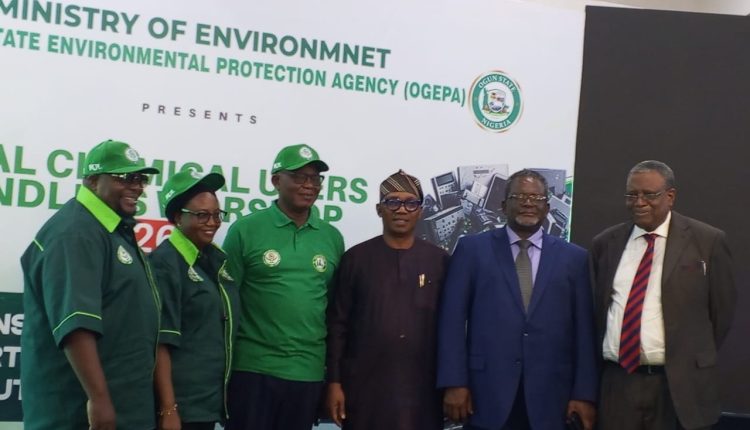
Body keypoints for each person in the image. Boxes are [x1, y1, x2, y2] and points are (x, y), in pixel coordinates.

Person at [437, 169, 597, 430]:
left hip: (552, 396)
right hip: (485, 392)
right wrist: (454, 382)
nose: (527, 203)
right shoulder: (471, 250)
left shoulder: (575, 259)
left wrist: (584, 394)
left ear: (547, 207)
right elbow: (451, 321)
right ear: (503, 205)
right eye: (519, 196)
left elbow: (585, 332)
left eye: (536, 198)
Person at [20, 139, 161, 430]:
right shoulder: (75, 233)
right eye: (126, 178)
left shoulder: (110, 228)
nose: (137, 187)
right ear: (94, 180)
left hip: (123, 410)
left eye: (140, 179)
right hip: (78, 414)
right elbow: (76, 326)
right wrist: (99, 400)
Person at [590, 160, 736, 430]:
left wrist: (686, 356)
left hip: (679, 385)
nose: (639, 202)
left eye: (649, 194)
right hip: (618, 384)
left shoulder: (708, 241)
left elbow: (721, 313)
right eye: (632, 195)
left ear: (670, 196)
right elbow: (597, 311)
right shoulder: (605, 244)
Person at [223, 144, 345, 430]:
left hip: (307, 372)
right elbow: (225, 304)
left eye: (315, 178)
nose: (309, 185)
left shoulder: (331, 237)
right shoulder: (245, 230)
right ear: (276, 181)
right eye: (300, 177)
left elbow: (332, 308)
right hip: (252, 369)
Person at [326, 170, 449, 429]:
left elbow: (452, 327)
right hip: (365, 387)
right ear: (379, 209)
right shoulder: (356, 259)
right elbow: (337, 325)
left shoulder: (439, 261)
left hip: (423, 388)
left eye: (411, 203)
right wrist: (334, 382)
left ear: (420, 211)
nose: (401, 209)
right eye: (392, 202)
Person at [150, 170, 239, 430]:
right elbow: (161, 343)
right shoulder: (165, 264)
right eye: (202, 215)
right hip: (180, 407)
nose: (212, 222)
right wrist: (168, 408)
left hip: (206, 404)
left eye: (217, 214)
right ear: (178, 217)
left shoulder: (215, 260)